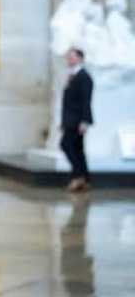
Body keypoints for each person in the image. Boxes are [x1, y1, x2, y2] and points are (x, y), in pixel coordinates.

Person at [60, 47, 93, 192]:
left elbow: (86, 101)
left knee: (66, 145)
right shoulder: (72, 75)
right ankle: (84, 179)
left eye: (71, 57)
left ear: (80, 58)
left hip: (78, 121)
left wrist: (85, 121)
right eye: (68, 57)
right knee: (78, 149)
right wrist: (63, 122)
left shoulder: (84, 77)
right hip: (70, 120)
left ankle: (78, 175)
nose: (69, 59)